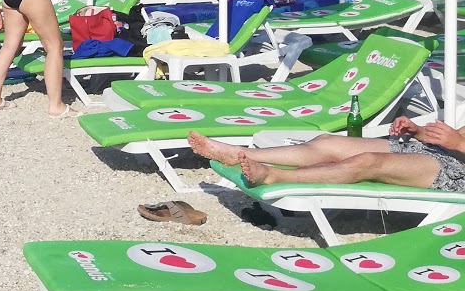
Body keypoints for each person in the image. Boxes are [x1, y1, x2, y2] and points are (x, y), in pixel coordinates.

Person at [189, 117, 465, 193]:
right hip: (439, 152)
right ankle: (238, 152)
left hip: (457, 174)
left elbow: (460, 143)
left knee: (368, 163)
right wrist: (416, 131)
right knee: (328, 143)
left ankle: (274, 175)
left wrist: (458, 145)